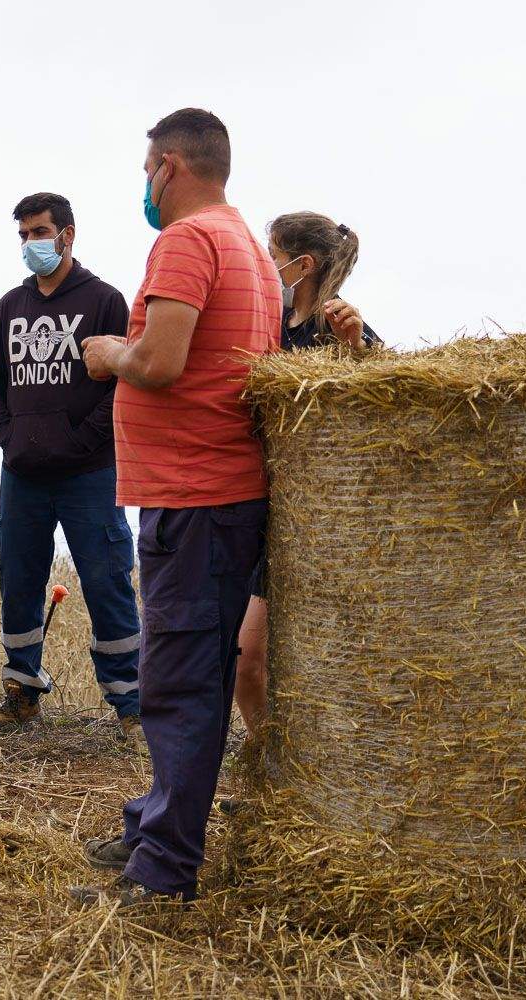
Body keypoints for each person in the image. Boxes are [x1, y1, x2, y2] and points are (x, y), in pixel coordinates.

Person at [69, 108, 280, 906]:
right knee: (184, 671)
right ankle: (151, 820)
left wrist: (107, 354)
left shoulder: (187, 241)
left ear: (169, 165)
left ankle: (161, 873)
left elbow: (160, 361)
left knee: (183, 681)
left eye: (146, 168)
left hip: (197, 496)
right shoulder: (246, 245)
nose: (143, 184)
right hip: (213, 494)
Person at [0, 193, 143, 741]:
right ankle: (21, 695)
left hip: (90, 474)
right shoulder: (9, 308)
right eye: (22, 235)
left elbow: (124, 383)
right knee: (18, 581)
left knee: (107, 580)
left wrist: (79, 441)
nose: (30, 244)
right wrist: (7, 435)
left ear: (68, 234)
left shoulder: (105, 301)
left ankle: (131, 706)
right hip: (22, 475)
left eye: (39, 232)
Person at [232, 211, 381, 738]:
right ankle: (269, 766)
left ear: (304, 264)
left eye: (272, 256)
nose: (265, 266)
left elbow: (387, 399)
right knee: (245, 660)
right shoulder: (271, 327)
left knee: (318, 669)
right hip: (273, 517)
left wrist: (355, 348)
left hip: (327, 526)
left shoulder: (337, 324)